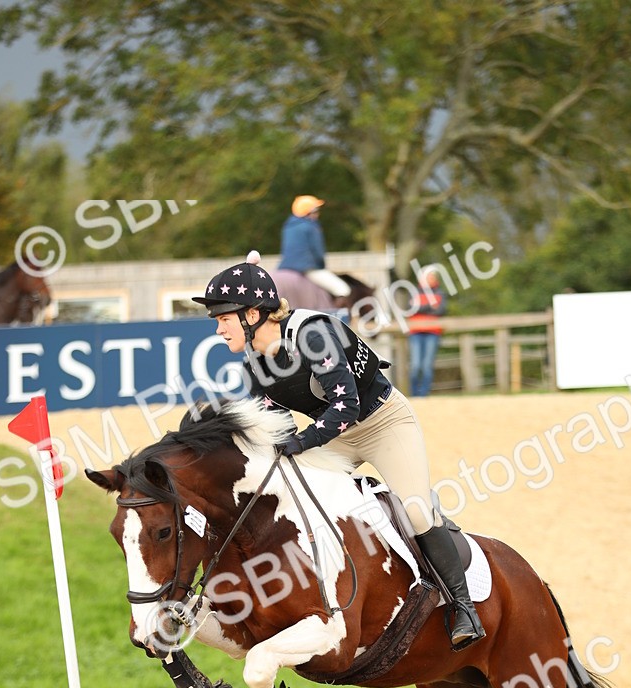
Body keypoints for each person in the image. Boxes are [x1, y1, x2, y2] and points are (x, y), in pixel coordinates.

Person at [191, 252, 485, 649]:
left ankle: (462, 607)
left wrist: (302, 442)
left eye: (224, 320)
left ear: (253, 314)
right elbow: (271, 423)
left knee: (415, 510)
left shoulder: (314, 334)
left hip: (383, 423)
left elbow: (346, 406)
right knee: (291, 491)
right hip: (335, 436)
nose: (219, 331)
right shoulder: (255, 362)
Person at [277, 195, 352, 302]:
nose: (318, 213)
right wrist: (322, 266)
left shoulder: (288, 226)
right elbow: (317, 252)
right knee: (343, 289)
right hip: (307, 268)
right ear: (309, 212)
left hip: (285, 267)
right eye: (316, 210)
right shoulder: (311, 226)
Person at [408, 270, 446, 397]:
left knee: (427, 366)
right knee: (415, 365)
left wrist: (421, 307)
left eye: (433, 277)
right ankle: (414, 395)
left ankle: (424, 395)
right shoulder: (415, 292)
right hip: (415, 332)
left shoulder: (440, 293)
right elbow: (410, 309)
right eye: (428, 277)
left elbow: (440, 311)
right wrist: (430, 306)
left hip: (433, 332)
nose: (431, 280)